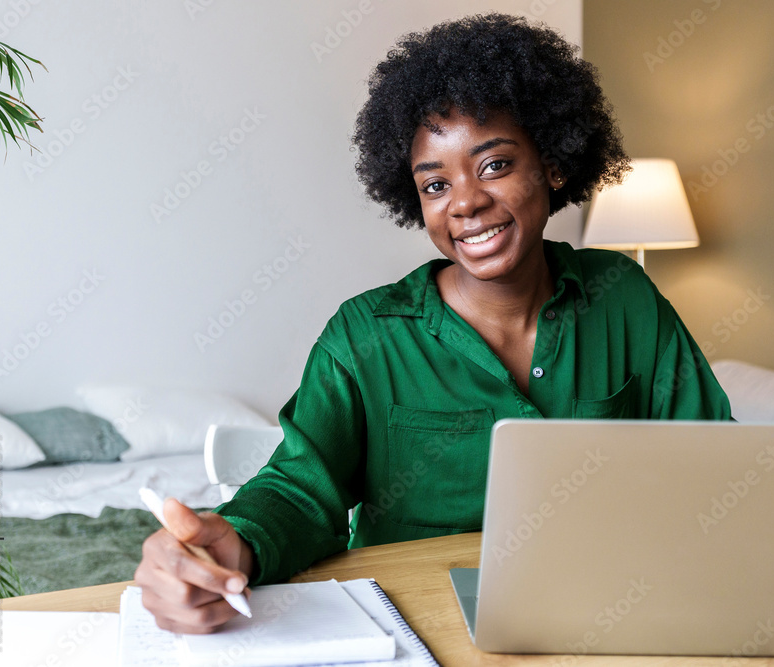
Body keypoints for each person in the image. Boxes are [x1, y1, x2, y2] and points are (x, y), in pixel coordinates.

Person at [135, 13, 732, 634]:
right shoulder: (366, 336)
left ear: (553, 165)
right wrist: (233, 542)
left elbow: (712, 461)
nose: (466, 202)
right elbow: (299, 490)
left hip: (605, 616)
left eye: (495, 165)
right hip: (415, 630)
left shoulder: (623, 297)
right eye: (435, 184)